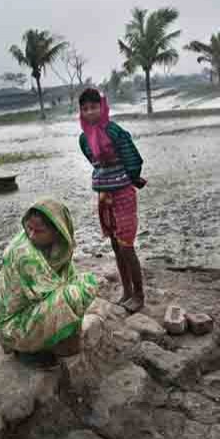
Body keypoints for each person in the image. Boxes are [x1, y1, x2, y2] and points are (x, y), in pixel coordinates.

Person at [0, 198, 97, 364]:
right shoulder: (25, 255)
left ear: (58, 231)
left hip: (28, 310)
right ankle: (28, 347)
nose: (31, 235)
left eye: (38, 231)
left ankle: (49, 343)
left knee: (77, 285)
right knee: (79, 291)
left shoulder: (58, 247)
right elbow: (58, 296)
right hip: (12, 325)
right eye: (29, 228)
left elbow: (67, 278)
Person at [78, 88, 148, 313]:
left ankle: (139, 295)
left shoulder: (115, 131)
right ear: (81, 111)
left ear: (102, 107)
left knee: (127, 245)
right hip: (104, 195)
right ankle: (126, 290)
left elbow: (132, 157)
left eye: (94, 107)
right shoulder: (84, 138)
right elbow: (94, 163)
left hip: (123, 194)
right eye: (85, 108)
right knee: (116, 245)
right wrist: (108, 178)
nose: (90, 112)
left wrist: (133, 178)